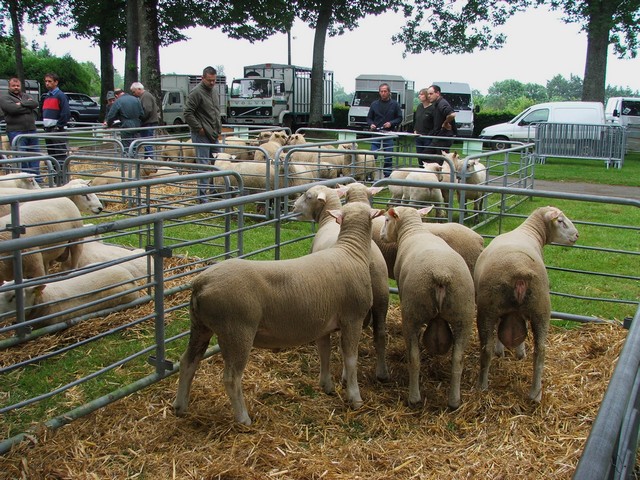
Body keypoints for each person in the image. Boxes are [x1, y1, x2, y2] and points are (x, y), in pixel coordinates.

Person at [184, 66, 222, 201]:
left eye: (214, 80)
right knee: (204, 165)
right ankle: (202, 196)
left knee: (218, 161)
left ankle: (214, 189)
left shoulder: (214, 91)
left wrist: (218, 129)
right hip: (202, 134)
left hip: (213, 133)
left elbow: (216, 112)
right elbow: (188, 113)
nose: (212, 83)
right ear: (203, 78)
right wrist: (198, 128)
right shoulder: (196, 93)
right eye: (209, 80)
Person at [0, 77, 41, 176]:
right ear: (9, 87)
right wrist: (28, 107)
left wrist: (21, 104)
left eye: (18, 85)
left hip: (31, 130)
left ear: (20, 86)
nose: (16, 87)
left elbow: (35, 103)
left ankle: (37, 178)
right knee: (21, 157)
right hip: (16, 131)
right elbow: (12, 109)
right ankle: (25, 178)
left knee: (35, 155)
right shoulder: (4, 98)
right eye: (13, 86)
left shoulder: (25, 95)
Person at [366, 83, 402, 177]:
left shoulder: (395, 104)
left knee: (388, 157)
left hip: (388, 134)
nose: (383, 93)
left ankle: (387, 176)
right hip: (376, 134)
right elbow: (369, 118)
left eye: (385, 91)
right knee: (372, 156)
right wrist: (371, 124)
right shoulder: (374, 104)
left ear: (389, 92)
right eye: (381, 91)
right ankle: (370, 174)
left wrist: (391, 123)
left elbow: (399, 118)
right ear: (379, 92)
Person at [41, 72, 70, 174]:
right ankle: (55, 177)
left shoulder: (60, 96)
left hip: (57, 130)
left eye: (50, 81)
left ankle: (62, 177)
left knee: (60, 155)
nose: (47, 83)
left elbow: (66, 112)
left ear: (56, 82)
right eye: (46, 81)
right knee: (52, 154)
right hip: (48, 130)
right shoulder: (47, 96)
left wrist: (59, 126)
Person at [104, 89, 144, 154]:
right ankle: (135, 160)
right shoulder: (136, 99)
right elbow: (142, 113)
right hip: (137, 125)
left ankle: (128, 161)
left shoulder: (119, 101)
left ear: (116, 96)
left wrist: (109, 124)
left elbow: (111, 115)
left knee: (126, 146)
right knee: (135, 145)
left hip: (126, 126)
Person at [425, 84, 456, 163]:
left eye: (431, 94)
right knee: (426, 156)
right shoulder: (437, 104)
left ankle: (444, 172)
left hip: (443, 137)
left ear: (438, 93)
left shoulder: (442, 103)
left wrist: (445, 123)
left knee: (438, 159)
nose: (429, 96)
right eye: (428, 94)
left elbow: (452, 114)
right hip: (439, 136)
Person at [130, 82, 159, 158]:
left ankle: (150, 160)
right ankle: (148, 160)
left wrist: (140, 118)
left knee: (147, 142)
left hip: (148, 122)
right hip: (148, 122)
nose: (133, 94)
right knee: (146, 142)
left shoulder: (145, 96)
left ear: (139, 89)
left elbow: (147, 109)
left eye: (134, 91)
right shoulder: (145, 96)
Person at [413, 87, 435, 164]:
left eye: (421, 94)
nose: (419, 96)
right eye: (419, 94)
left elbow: (435, 124)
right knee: (420, 157)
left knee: (427, 157)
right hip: (418, 136)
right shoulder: (419, 107)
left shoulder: (433, 108)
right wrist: (415, 130)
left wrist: (429, 135)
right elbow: (416, 120)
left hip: (427, 137)